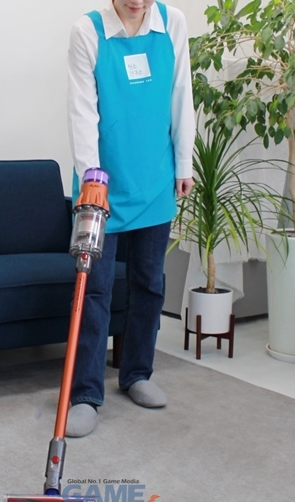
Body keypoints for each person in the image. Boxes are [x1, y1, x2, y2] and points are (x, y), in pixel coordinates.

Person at [66, 0, 195, 437]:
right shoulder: (88, 32)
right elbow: (82, 110)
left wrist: (183, 164)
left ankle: (137, 372)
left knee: (149, 283)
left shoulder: (172, 24)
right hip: (102, 183)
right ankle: (85, 394)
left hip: (155, 179)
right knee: (94, 290)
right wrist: (91, 177)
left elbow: (181, 94)